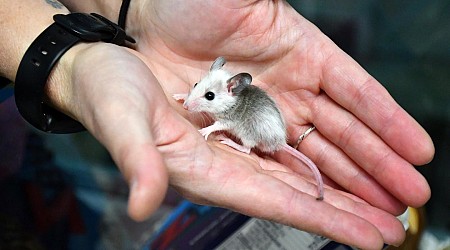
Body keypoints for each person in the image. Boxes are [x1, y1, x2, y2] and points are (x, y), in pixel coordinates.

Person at [0, 1, 434, 249]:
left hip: (258, 135)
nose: (196, 100)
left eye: (206, 96)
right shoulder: (218, 86)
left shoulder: (233, 104)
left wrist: (140, 9)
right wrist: (72, 63)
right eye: (198, 90)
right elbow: (202, 98)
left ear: (232, 90)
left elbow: (219, 118)